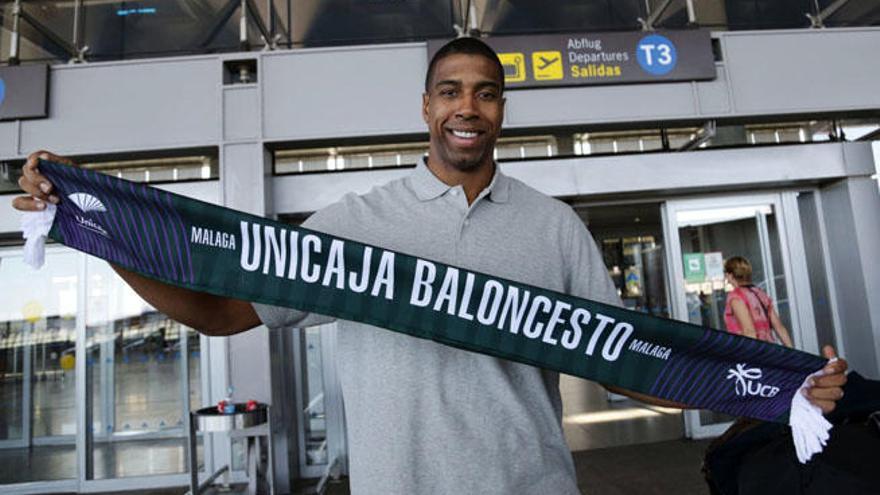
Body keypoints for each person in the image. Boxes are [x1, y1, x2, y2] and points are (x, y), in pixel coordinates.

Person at [12, 38, 847, 494]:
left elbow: (630, 364)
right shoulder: (353, 225)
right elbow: (223, 311)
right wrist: (92, 232)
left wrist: (777, 386)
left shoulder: (553, 227)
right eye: (451, 91)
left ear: (502, 110)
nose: (467, 107)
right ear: (426, 107)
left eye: (484, 92)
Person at [723, 256, 794, 348]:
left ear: (730, 275)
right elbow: (779, 328)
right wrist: (792, 353)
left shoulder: (736, 297)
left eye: (726, 273)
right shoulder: (760, 293)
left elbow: (749, 332)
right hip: (769, 349)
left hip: (753, 352)